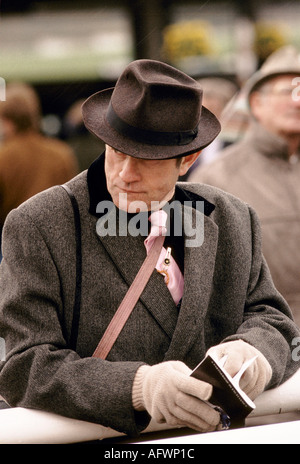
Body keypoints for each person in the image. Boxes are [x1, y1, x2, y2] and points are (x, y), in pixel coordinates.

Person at [0, 60, 299, 437]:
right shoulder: (39, 224)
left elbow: (274, 321)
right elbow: (25, 366)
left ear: (187, 161)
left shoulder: (233, 218)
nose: (125, 173)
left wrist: (253, 353)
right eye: (117, 151)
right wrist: (138, 386)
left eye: (145, 159)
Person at [190, 46, 300, 326]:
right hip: (267, 345)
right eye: (286, 91)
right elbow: (200, 283)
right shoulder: (215, 178)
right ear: (257, 103)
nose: (296, 101)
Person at [0, 82, 78, 261]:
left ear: (8, 121)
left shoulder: (2, 157)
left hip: (12, 246)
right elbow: (73, 202)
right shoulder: (62, 153)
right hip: (56, 245)